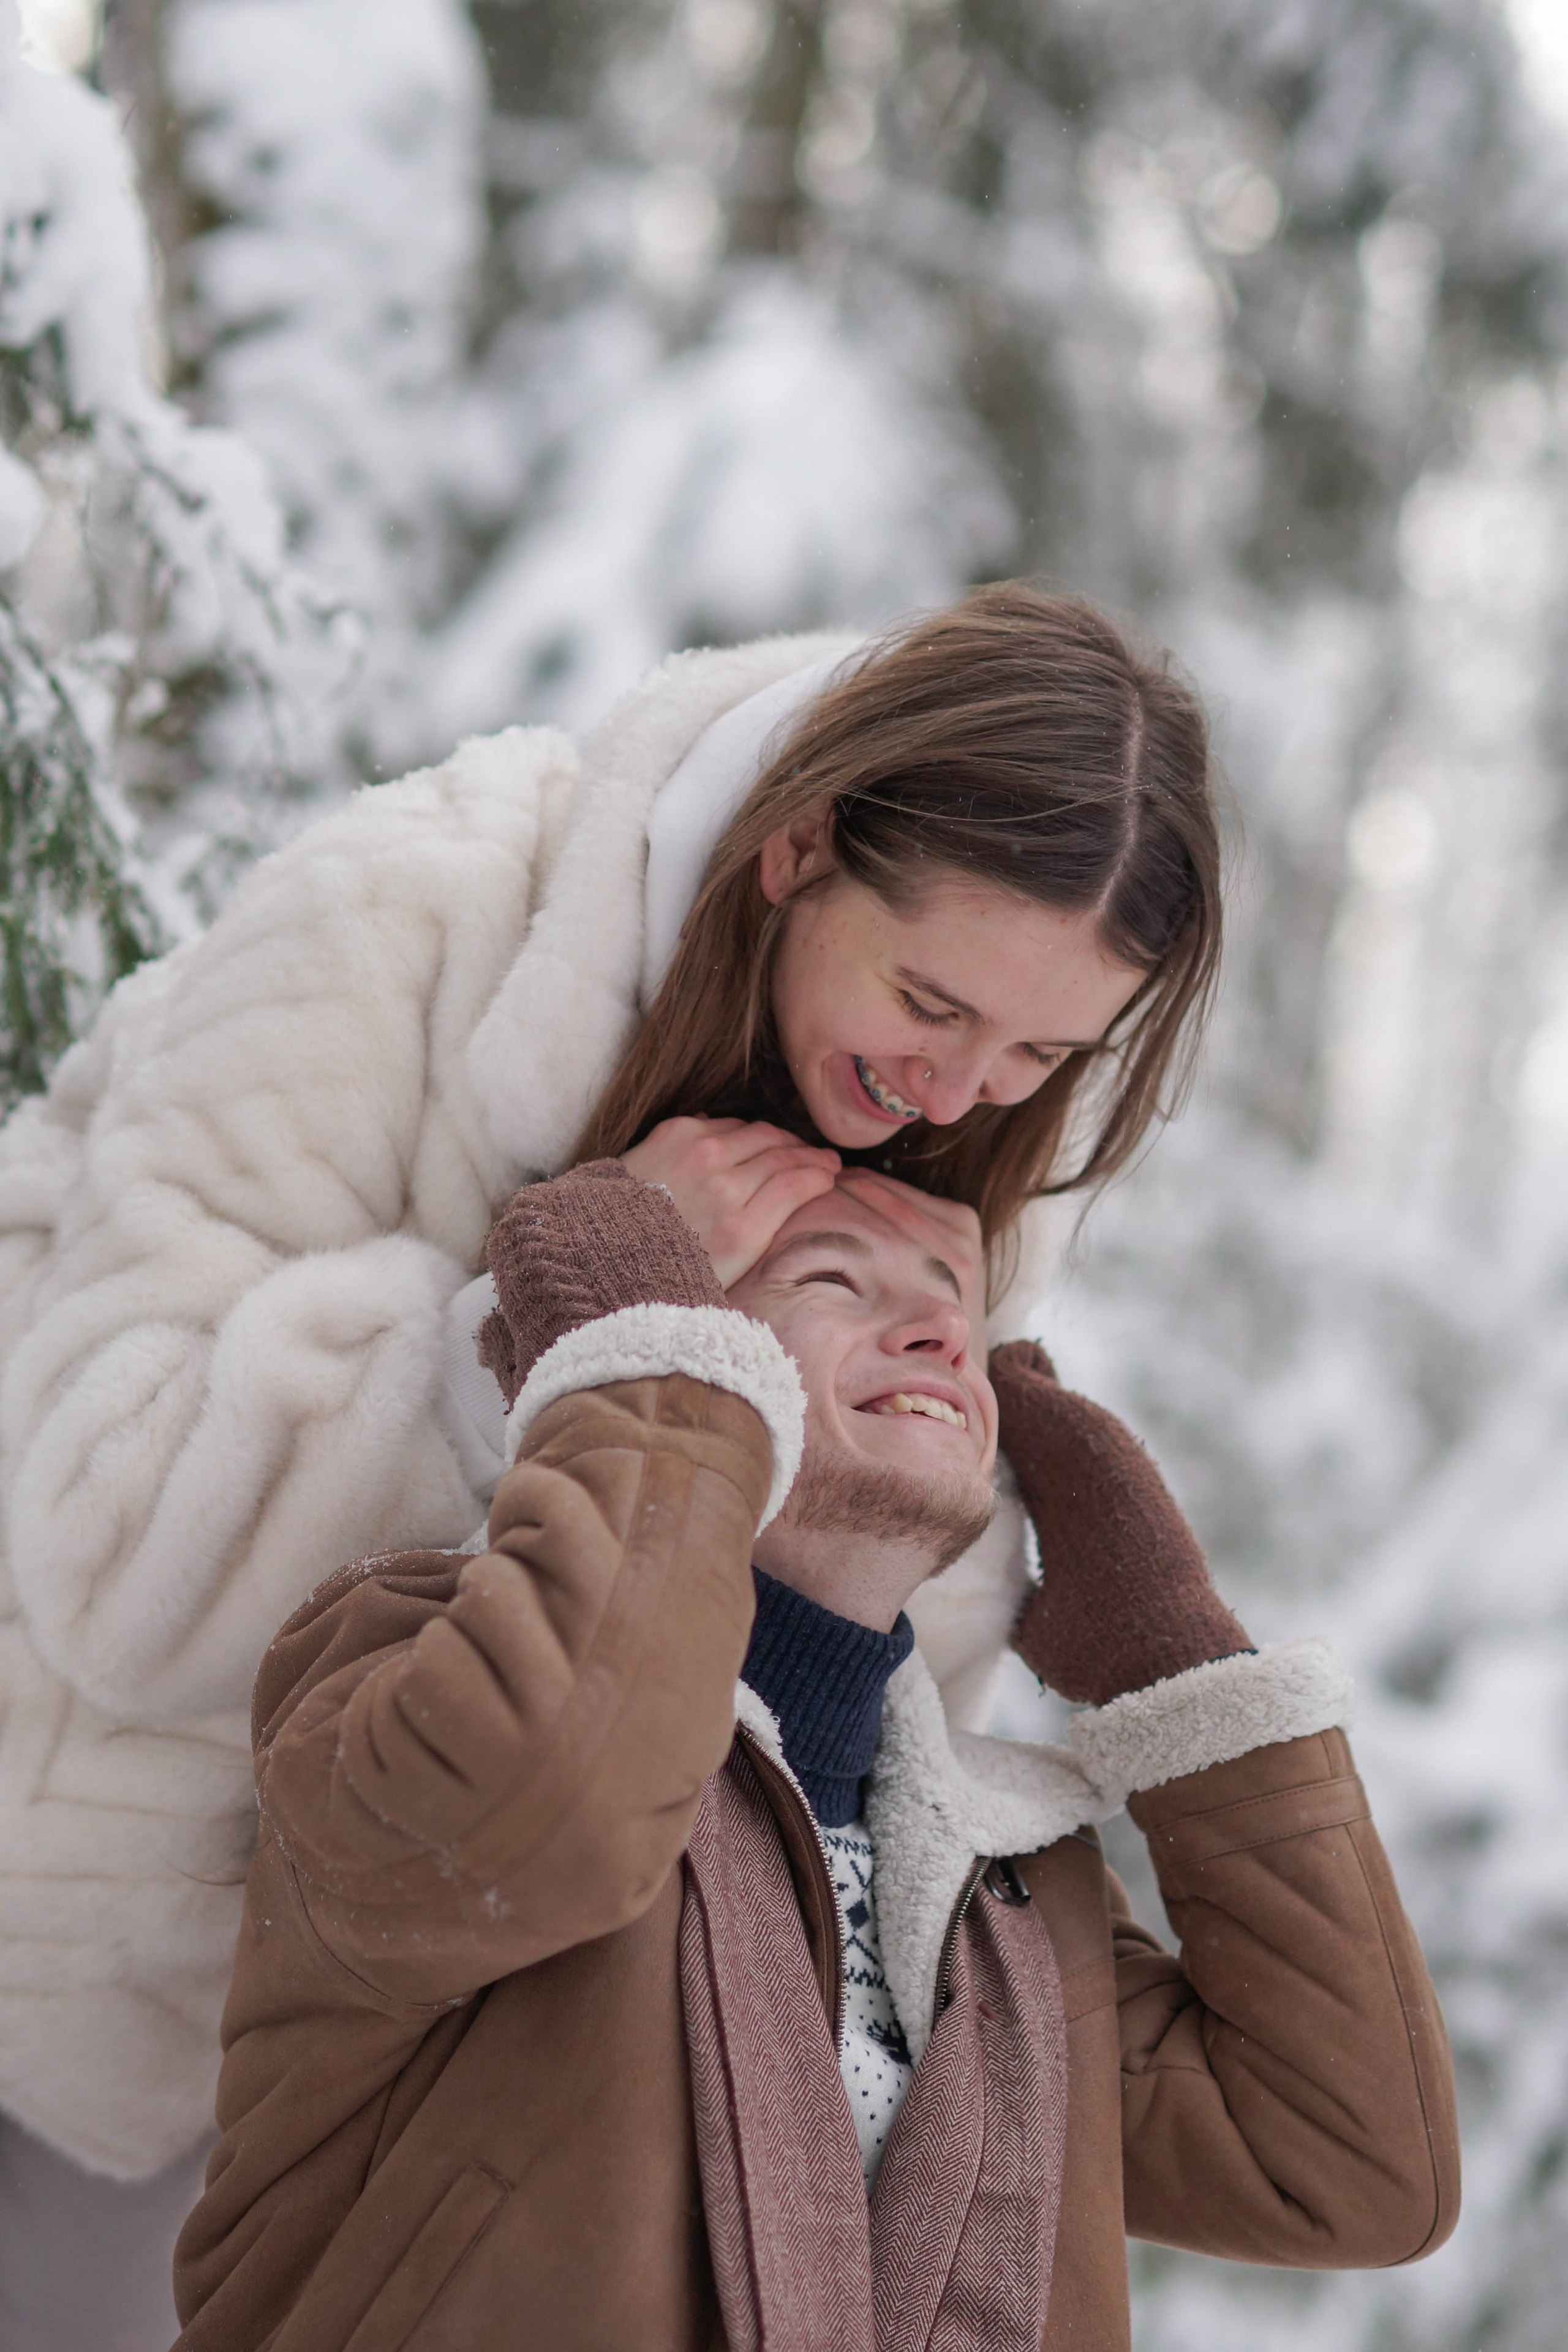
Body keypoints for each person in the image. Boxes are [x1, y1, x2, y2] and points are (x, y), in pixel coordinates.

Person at [0, 576, 1223, 2275]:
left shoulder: (963, 1151)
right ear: (796, 847)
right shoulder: (402, 920)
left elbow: (876, 1685)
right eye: (932, 1005)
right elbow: (110, 1533)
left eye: (1039, 1049)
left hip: (496, 2052)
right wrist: (548, 1338)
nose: (957, 1094)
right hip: (82, 1988)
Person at [171, 1158, 1459, 2350]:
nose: (943, 1334)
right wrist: (649, 1382)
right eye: (832, 1278)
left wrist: (1177, 1670)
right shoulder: (401, 1660)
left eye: (955, 1303)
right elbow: (561, 1795)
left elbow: (1353, 2169)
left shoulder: (1011, 1891)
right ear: (668, 1342)